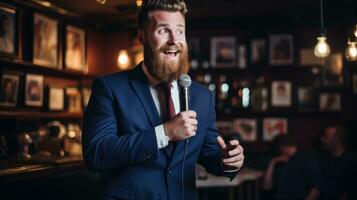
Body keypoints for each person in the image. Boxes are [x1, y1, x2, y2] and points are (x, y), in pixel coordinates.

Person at [82, 1, 244, 200]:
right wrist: (165, 133)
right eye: (163, 31)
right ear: (142, 37)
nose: (174, 40)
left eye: (180, 31)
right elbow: (96, 154)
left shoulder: (202, 96)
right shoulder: (110, 88)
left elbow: (209, 152)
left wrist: (228, 161)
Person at [263, 134, 321, 200]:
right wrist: (272, 162)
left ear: (282, 147)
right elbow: (266, 186)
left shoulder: (307, 159)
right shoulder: (279, 161)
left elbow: (316, 188)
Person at [319, 126, 354, 200]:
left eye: (325, 136)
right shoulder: (321, 160)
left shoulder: (352, 160)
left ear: (336, 140)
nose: (321, 139)